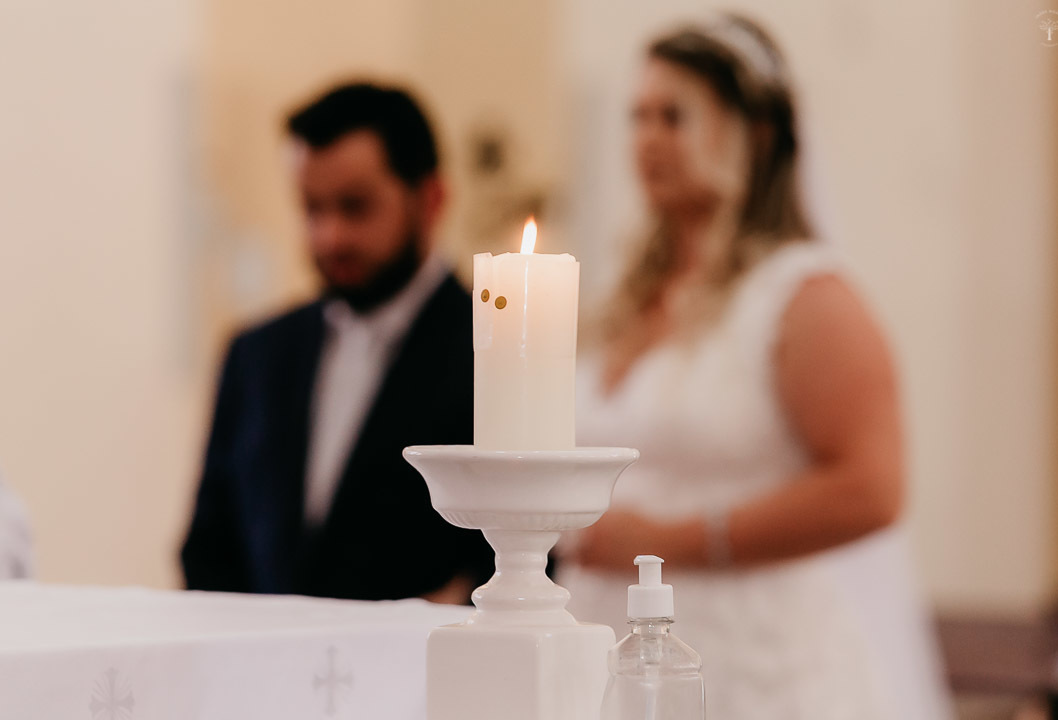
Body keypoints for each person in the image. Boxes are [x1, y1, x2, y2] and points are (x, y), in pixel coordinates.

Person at [557, 16, 952, 720]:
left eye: (674, 117)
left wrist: (668, 541)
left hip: (751, 662)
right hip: (603, 638)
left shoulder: (805, 297)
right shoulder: (625, 292)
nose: (646, 140)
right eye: (637, 117)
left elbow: (871, 489)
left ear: (755, 133)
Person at [182, 82, 492, 603]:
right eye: (311, 209)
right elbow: (208, 546)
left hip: (429, 672)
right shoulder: (256, 354)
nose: (329, 237)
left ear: (431, 199)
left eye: (355, 207)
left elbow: (519, 553)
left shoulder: (493, 354)